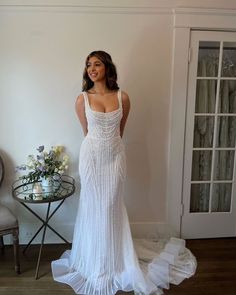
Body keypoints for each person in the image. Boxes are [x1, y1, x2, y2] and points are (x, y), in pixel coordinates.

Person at [51, 50, 197, 295]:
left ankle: (117, 260)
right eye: (88, 65)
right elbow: (87, 133)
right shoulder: (82, 99)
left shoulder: (123, 97)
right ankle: (95, 260)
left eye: (97, 64)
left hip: (116, 157)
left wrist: (112, 150)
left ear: (107, 67)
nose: (92, 69)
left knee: (112, 205)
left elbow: (120, 130)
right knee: (94, 205)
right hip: (92, 159)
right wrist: (100, 150)